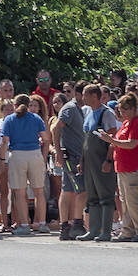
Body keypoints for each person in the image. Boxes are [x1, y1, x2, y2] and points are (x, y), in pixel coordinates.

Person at [99, 93, 138, 242]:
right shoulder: (126, 123)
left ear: (134, 108)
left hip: (133, 168)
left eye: (125, 109)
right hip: (122, 168)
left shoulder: (137, 123)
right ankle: (128, 231)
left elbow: (132, 143)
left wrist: (111, 140)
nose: (122, 113)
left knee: (133, 202)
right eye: (121, 109)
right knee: (125, 202)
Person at [2, 95, 50, 236]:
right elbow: (46, 138)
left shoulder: (9, 119)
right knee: (39, 192)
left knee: (19, 192)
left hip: (17, 155)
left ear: (15, 105)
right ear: (28, 105)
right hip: (34, 154)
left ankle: (24, 225)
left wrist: (1, 159)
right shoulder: (36, 118)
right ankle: (42, 223)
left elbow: (5, 141)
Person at [78, 85, 119, 242]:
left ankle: (106, 231)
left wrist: (108, 160)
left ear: (94, 95)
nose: (83, 97)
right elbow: (86, 140)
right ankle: (93, 230)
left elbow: (112, 139)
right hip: (89, 163)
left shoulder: (106, 113)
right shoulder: (88, 112)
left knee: (106, 196)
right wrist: (82, 161)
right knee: (92, 196)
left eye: (85, 94)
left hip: (102, 161)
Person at [52, 84, 88, 240]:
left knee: (67, 191)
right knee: (82, 190)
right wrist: (59, 153)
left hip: (77, 156)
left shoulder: (80, 109)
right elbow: (55, 128)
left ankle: (65, 227)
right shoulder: (70, 108)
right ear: (79, 94)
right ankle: (77, 224)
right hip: (71, 157)